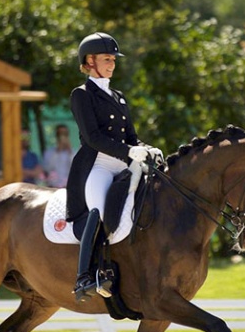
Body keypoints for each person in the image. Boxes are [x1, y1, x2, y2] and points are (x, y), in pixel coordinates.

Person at [66, 32, 163, 302]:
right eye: (107, 59)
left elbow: (130, 136)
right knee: (98, 212)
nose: (112, 64)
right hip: (97, 166)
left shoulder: (118, 97)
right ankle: (84, 276)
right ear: (90, 61)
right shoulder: (82, 95)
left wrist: (145, 147)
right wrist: (129, 151)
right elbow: (93, 138)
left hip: (122, 165)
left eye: (113, 60)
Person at [43, 124, 75, 188]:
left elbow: (75, 167)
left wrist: (69, 151)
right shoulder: (49, 152)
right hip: (53, 186)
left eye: (65, 134)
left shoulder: (73, 152)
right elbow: (47, 168)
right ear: (56, 135)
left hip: (68, 186)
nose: (62, 136)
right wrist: (58, 151)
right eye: (60, 134)